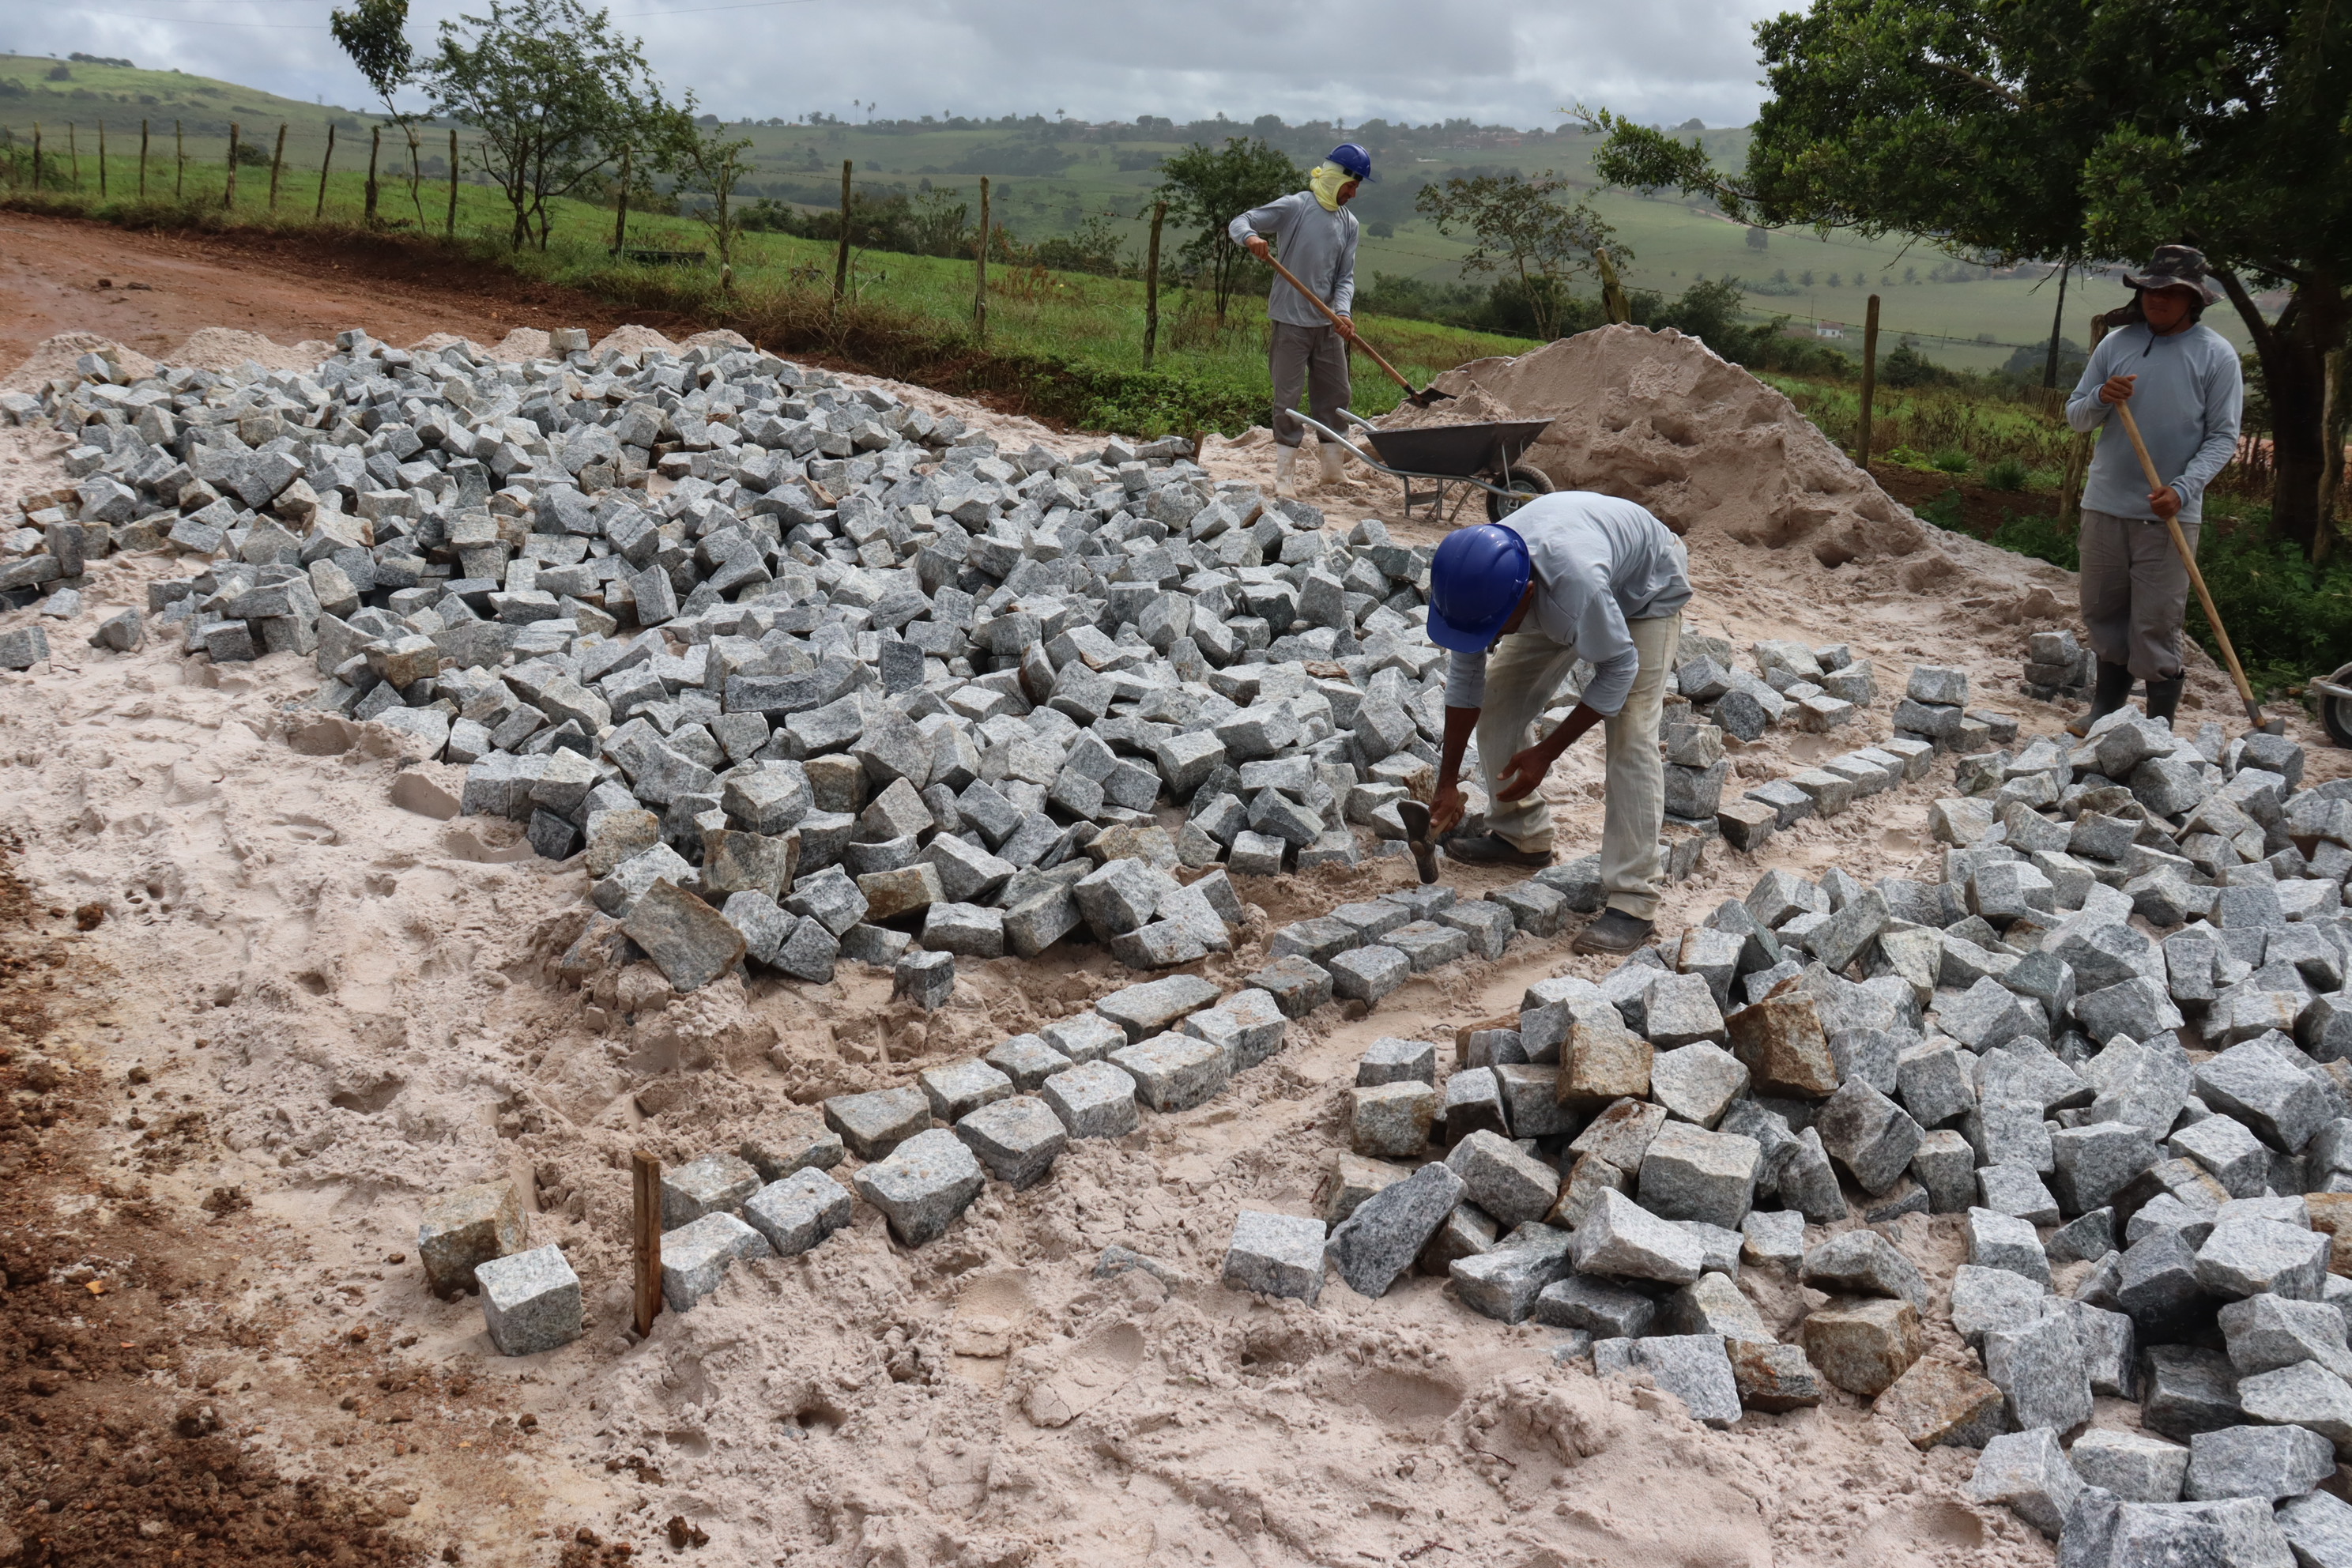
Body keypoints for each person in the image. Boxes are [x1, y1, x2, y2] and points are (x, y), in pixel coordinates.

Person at [1424, 494, 1692, 956]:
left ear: (1525, 597)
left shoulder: (1574, 589)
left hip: (1646, 587)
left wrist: (1547, 753)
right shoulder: (1472, 584)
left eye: (1495, 628)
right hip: (1567, 583)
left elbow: (1618, 668)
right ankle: (1521, 835)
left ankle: (1634, 900)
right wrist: (1447, 780)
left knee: (1630, 732)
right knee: (1499, 703)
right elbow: (1466, 681)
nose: (1485, 639)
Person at [2064, 243, 2244, 735]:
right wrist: (2102, 396)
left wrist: (2183, 490)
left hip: (2169, 512)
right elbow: (2076, 416)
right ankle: (2105, 711)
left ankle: (2158, 726)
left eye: (2170, 293)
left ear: (2194, 299)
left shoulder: (2216, 356)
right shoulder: (2116, 344)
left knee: (2156, 620)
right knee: (2102, 609)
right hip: (2105, 504)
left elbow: (2224, 436)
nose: (2156, 301)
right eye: (2149, 291)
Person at [1229, 143, 1370, 499]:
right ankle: (1284, 478)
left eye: (1356, 189)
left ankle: (1333, 472)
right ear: (1336, 177)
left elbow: (1345, 278)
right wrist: (1251, 237)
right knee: (1288, 398)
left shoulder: (1349, 224)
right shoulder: (1296, 207)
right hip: (1290, 321)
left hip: (1327, 327)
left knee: (1337, 395)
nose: (1352, 194)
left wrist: (1342, 313)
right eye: (1350, 186)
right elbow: (1240, 221)